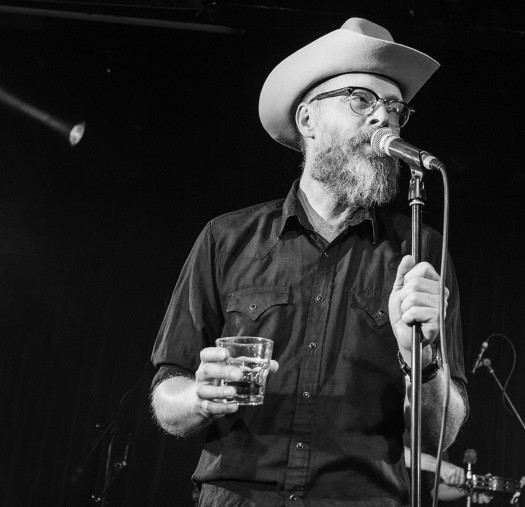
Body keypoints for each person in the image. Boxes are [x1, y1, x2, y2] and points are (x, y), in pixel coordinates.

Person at [150, 17, 468, 506]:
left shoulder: (418, 252)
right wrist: (198, 397)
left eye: (395, 108)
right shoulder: (227, 238)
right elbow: (167, 393)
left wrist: (421, 361)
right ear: (307, 120)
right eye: (361, 99)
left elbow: (440, 434)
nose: (384, 118)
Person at [403, 447, 493, 506]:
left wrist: (467, 489)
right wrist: (437, 465)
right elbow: (393, 450)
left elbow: (437, 492)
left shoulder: (435, 434)